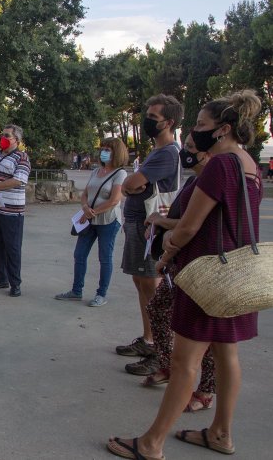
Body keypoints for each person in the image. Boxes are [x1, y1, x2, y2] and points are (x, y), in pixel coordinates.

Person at [107, 91, 262, 460]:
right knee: (227, 356)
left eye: (202, 125)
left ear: (223, 129)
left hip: (205, 274)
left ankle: (151, 443)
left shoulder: (222, 166)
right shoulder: (248, 165)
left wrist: (166, 255)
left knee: (184, 363)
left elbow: (190, 227)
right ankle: (221, 433)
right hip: (234, 274)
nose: (195, 132)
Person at [133, 134, 216, 412]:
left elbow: (192, 224)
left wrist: (161, 222)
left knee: (205, 333)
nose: (186, 153)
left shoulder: (211, 183)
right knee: (159, 308)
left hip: (201, 265)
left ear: (207, 152)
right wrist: (160, 227)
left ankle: (205, 390)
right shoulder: (193, 182)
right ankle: (166, 363)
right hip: (180, 262)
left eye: (191, 148)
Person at [115, 94, 181, 371]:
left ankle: (159, 350)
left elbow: (131, 182)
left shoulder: (167, 153)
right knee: (142, 283)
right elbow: (129, 186)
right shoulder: (156, 152)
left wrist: (132, 185)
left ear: (170, 122)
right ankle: (149, 339)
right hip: (139, 223)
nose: (147, 121)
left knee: (151, 285)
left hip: (148, 227)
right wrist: (131, 186)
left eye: (153, 118)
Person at [55, 138, 127, 306]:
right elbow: (85, 193)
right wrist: (85, 207)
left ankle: (101, 294)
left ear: (116, 152)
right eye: (103, 148)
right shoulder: (96, 171)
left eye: (108, 149)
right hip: (89, 220)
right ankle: (76, 290)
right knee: (79, 254)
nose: (104, 152)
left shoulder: (120, 173)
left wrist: (91, 212)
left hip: (108, 221)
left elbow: (114, 200)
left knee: (105, 257)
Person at [0, 125, 31, 297]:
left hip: (11, 211)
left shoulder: (22, 157)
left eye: (7, 135)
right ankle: (1, 278)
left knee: (13, 247)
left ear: (16, 140)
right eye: (2, 134)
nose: (2, 137)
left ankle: (15, 282)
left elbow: (19, 180)